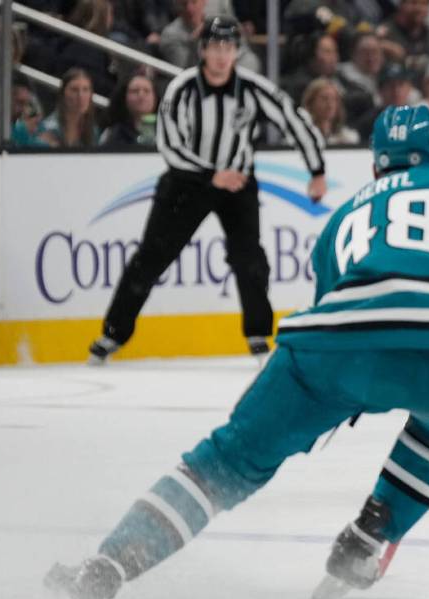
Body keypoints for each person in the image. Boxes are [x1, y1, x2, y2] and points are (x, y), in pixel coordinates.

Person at [45, 104, 429, 599]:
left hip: (334, 346)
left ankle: (107, 566)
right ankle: (368, 538)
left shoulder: (344, 217)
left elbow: (342, 303)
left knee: (226, 461)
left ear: (374, 166)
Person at [88, 16, 327, 364]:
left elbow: (293, 119)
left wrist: (317, 170)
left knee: (250, 260)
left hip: (238, 184)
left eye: (228, 48)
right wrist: (211, 174)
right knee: (152, 257)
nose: (221, 56)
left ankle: (259, 335)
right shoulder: (182, 89)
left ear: (236, 52)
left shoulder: (252, 88)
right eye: (215, 48)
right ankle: (112, 335)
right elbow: (169, 146)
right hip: (186, 184)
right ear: (202, 50)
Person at [35, 67, 100, 148]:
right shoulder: (49, 128)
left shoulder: (93, 131)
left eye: (85, 90)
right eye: (74, 90)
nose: (80, 96)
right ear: (63, 94)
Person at [99, 73, 158, 147]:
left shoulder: (166, 131)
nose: (141, 95)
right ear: (124, 97)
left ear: (155, 98)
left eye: (146, 91)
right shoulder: (112, 134)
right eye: (135, 91)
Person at [302, 78, 361, 145]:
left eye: (334, 99)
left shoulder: (348, 138)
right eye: (324, 98)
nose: (330, 104)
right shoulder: (299, 136)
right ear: (311, 103)